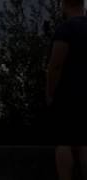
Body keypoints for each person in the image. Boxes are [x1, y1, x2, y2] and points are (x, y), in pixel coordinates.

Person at [46, 0, 87, 179]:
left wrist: (50, 92)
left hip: (68, 94)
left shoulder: (66, 29)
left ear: (64, 5)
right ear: (83, 5)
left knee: (63, 142)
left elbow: (55, 66)